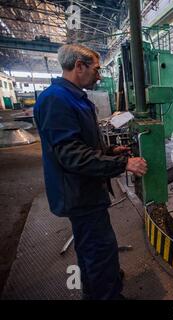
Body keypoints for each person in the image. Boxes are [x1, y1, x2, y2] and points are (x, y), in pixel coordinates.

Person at [34, 44, 147, 300]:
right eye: (96, 69)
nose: (99, 75)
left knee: (90, 249)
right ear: (79, 66)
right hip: (79, 193)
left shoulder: (71, 96)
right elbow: (72, 156)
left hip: (84, 190)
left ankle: (96, 291)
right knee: (99, 250)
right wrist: (123, 164)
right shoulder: (56, 99)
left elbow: (78, 142)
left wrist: (108, 150)